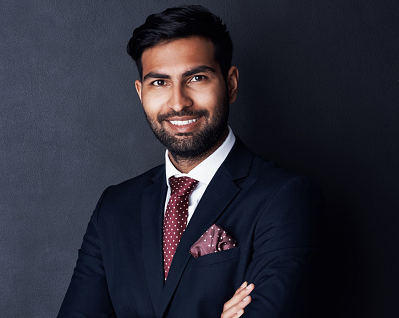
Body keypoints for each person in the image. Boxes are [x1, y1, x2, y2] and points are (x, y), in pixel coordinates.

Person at [58, 5, 320, 318]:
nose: (179, 102)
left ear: (231, 83)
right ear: (141, 92)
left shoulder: (283, 197)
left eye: (196, 77)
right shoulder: (114, 207)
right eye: (159, 82)